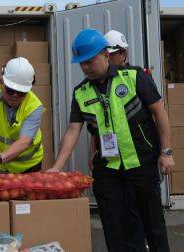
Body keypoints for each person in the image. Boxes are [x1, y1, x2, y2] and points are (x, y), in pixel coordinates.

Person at [48, 28, 173, 252]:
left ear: (106, 55)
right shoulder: (80, 93)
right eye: (81, 63)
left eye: (90, 61)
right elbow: (73, 131)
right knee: (114, 226)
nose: (85, 67)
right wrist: (57, 167)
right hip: (108, 167)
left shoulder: (134, 77)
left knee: (152, 222)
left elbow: (159, 112)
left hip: (141, 162)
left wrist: (166, 152)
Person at [87, 29, 148, 252]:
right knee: (114, 213)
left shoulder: (135, 78)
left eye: (113, 54)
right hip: (110, 160)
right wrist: (92, 151)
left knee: (133, 210)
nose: (109, 58)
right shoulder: (98, 84)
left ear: (123, 54)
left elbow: (153, 116)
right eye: (106, 54)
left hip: (135, 158)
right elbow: (98, 123)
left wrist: (164, 151)